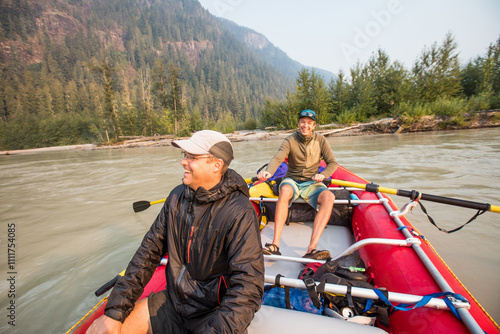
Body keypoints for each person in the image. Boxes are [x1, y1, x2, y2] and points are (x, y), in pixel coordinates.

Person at [88, 130, 264, 334]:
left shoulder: (239, 211)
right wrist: (114, 311)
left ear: (216, 164)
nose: (183, 162)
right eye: (185, 156)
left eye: (192, 157)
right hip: (174, 303)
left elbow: (248, 287)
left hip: (214, 314)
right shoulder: (176, 198)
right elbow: (147, 254)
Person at [257, 109, 337, 260]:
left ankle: (311, 249)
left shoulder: (321, 140)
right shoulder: (290, 140)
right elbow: (278, 157)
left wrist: (323, 174)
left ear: (314, 125)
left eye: (309, 123)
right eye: (302, 122)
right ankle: (275, 245)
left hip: (312, 183)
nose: (305, 125)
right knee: (285, 189)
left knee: (329, 197)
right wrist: (269, 171)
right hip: (292, 180)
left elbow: (332, 163)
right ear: (298, 124)